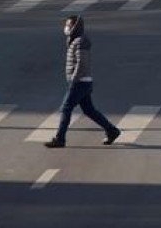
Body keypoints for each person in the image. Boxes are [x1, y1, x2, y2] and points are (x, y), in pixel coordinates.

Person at [45, 15, 120, 148]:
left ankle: (60, 139)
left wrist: (74, 79)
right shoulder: (74, 40)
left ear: (75, 27)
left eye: (68, 25)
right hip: (81, 81)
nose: (66, 28)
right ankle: (112, 131)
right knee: (89, 110)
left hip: (80, 82)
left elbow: (82, 63)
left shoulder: (80, 41)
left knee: (66, 108)